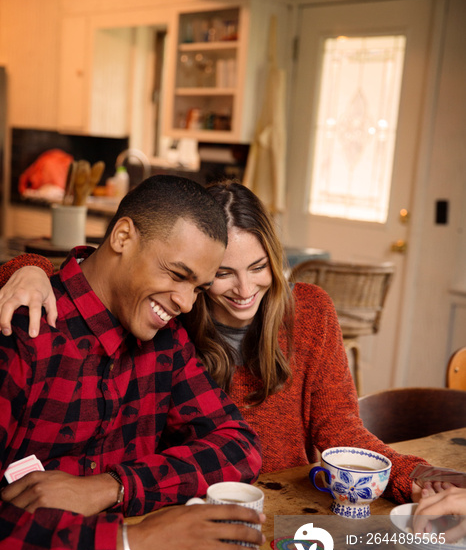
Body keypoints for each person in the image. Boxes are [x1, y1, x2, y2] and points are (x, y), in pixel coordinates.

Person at [0, 179, 446, 505]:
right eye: (221, 275)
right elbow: (101, 273)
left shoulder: (299, 313)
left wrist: (416, 472)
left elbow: (334, 428)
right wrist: (29, 267)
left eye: (258, 266)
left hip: (285, 502)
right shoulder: (173, 320)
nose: (244, 289)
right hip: (192, 506)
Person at [0, 175, 263, 550]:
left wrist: (113, 487)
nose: (186, 302)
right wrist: (129, 543)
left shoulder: (168, 341)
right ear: (123, 237)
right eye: (177, 274)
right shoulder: (21, 334)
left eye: (199, 287)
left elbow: (239, 446)